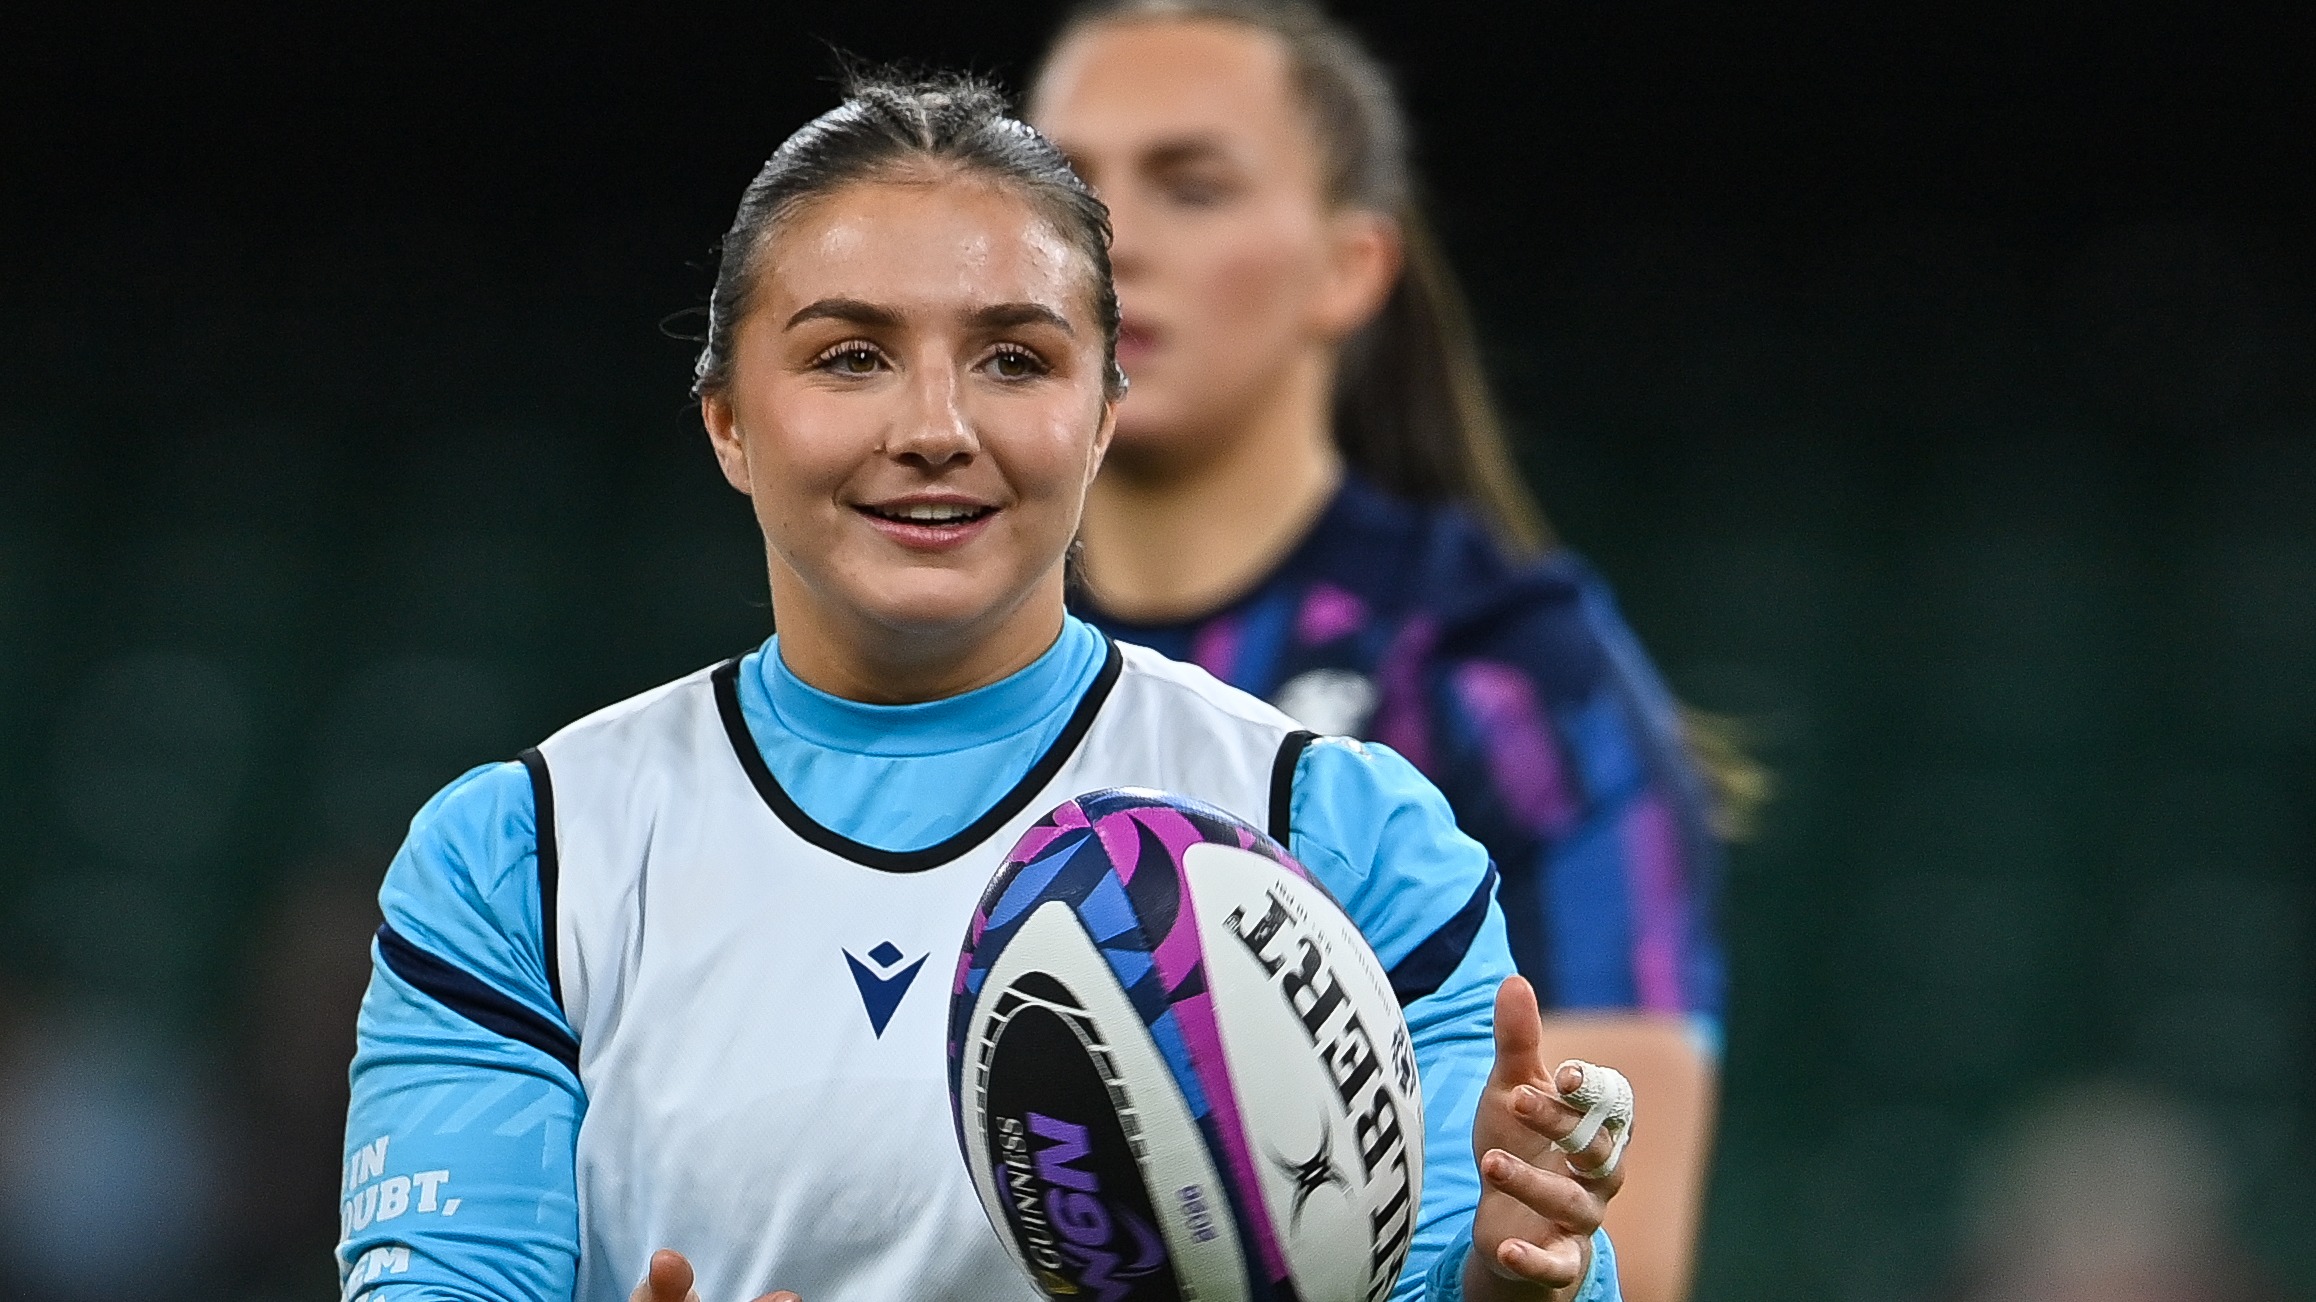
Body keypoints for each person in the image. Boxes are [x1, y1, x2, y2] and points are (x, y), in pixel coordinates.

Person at [337, 73, 1638, 1302]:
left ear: (1106, 414)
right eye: (850, 356)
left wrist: (1509, 1274)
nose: (935, 427)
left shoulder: (1336, 828)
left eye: (1016, 358)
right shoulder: (528, 855)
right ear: (728, 417)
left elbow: (1487, 1263)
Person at [1027, 6, 1745, 1298]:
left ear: (1353, 268)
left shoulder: (1518, 678)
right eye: (1064, 186)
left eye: (1192, 185)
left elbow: (1625, 1250)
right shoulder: (910, 652)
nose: (1110, 240)